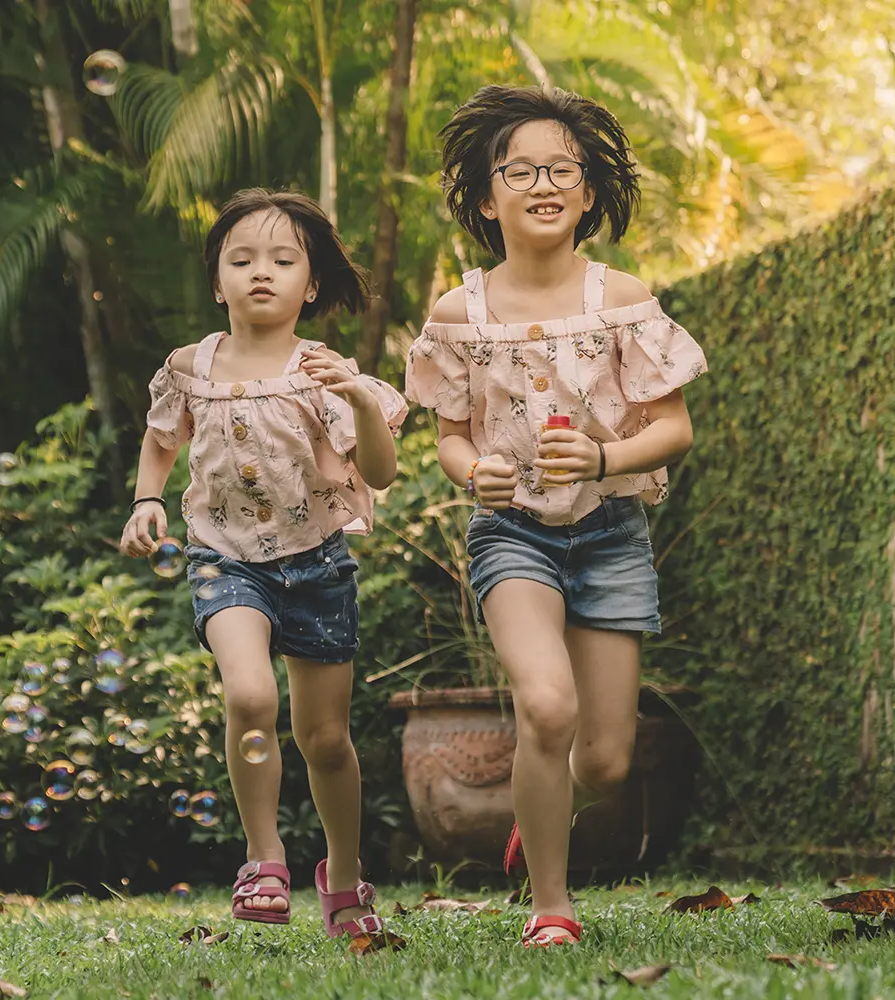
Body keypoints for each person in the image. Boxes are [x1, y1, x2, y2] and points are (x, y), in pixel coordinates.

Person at [405, 85, 709, 948]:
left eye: (562, 169)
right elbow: (452, 440)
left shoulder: (621, 299)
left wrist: (608, 457)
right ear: (487, 193)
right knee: (545, 707)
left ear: (586, 193)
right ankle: (551, 907)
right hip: (514, 538)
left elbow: (675, 428)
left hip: (610, 536)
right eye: (521, 169)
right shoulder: (459, 314)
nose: (543, 182)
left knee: (606, 762)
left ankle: (536, 816)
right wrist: (479, 476)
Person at [120, 189, 408, 940]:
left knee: (325, 740)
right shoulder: (189, 367)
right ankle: (264, 857)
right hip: (225, 560)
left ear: (310, 285)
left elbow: (379, 474)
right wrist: (148, 501)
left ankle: (343, 877)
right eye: (240, 258)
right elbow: (160, 438)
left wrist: (366, 405)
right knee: (249, 697)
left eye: (283, 260)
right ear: (217, 280)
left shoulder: (323, 370)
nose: (261, 272)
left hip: (317, 565)